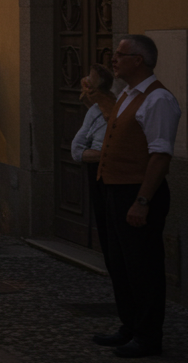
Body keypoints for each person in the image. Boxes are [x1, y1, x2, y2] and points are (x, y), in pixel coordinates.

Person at [92, 35, 182, 358]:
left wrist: (142, 201)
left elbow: (160, 156)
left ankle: (148, 336)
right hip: (114, 189)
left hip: (138, 192)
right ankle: (129, 326)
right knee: (120, 265)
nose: (114, 59)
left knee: (143, 268)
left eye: (120, 54)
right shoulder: (128, 94)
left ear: (138, 61)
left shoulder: (158, 100)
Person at [71, 63, 116, 256]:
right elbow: (76, 150)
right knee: (104, 222)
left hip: (116, 170)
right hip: (97, 168)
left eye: (89, 84)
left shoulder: (116, 106)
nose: (84, 88)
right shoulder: (94, 110)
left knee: (114, 223)